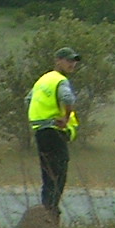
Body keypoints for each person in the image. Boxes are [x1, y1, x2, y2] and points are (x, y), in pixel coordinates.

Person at [27, 47, 81, 215]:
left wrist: (39, 117)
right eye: (68, 60)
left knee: (47, 173)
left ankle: (45, 208)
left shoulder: (42, 80)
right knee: (59, 172)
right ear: (58, 61)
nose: (72, 64)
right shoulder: (60, 80)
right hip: (54, 130)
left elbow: (28, 100)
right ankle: (51, 210)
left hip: (40, 131)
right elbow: (67, 98)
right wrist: (65, 118)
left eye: (74, 61)